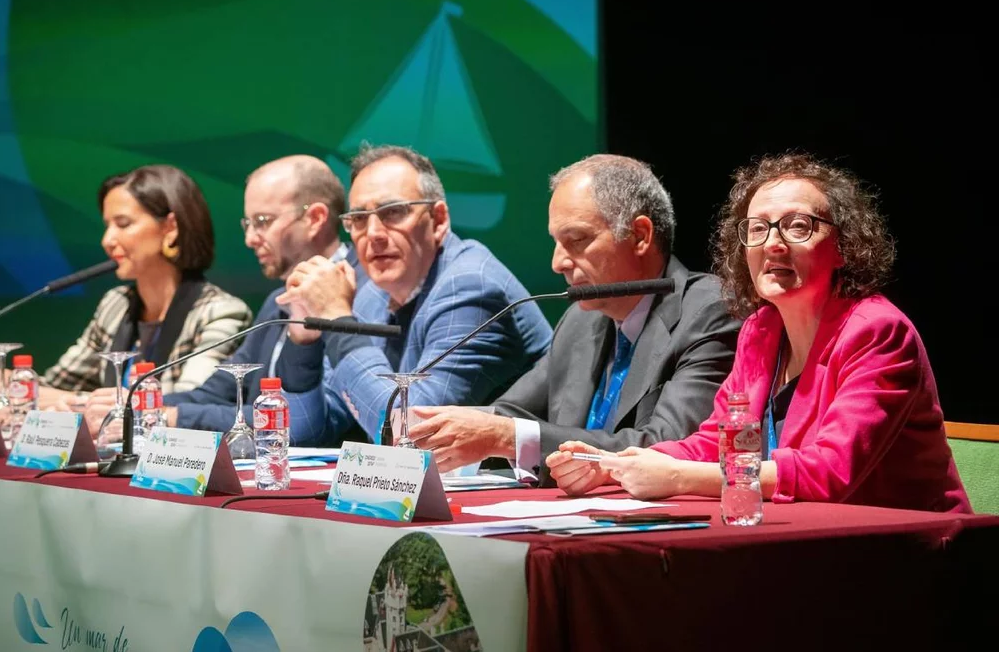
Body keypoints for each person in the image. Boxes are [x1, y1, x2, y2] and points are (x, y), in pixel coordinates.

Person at [548, 153, 970, 513]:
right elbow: (716, 440)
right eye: (757, 229)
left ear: (844, 246)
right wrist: (613, 463)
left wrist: (676, 477)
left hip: (909, 556)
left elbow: (830, 473)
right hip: (804, 548)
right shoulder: (761, 330)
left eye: (798, 226)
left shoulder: (878, 332)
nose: (773, 244)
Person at [406, 154, 740, 478]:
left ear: (640, 236)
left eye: (576, 240)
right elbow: (508, 415)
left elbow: (667, 448)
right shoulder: (580, 322)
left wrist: (505, 436)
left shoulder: (708, 312)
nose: (558, 263)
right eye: (556, 242)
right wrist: (436, 429)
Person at [278, 143, 553, 442]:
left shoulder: (472, 287)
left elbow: (410, 433)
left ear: (438, 220)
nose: (373, 234)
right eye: (358, 218)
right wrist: (304, 341)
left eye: (393, 212)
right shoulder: (372, 296)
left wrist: (335, 317)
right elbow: (304, 433)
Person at [83, 155, 365, 446]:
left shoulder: (357, 293)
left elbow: (315, 420)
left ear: (315, 219)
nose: (250, 239)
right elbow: (219, 390)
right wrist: (136, 406)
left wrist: (174, 417)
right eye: (248, 224)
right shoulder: (275, 302)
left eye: (263, 222)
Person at [0, 165, 252, 420]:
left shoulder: (221, 312)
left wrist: (70, 401)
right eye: (107, 225)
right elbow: (58, 384)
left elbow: (187, 404)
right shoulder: (116, 304)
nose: (107, 241)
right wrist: (16, 383)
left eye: (123, 224)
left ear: (170, 228)